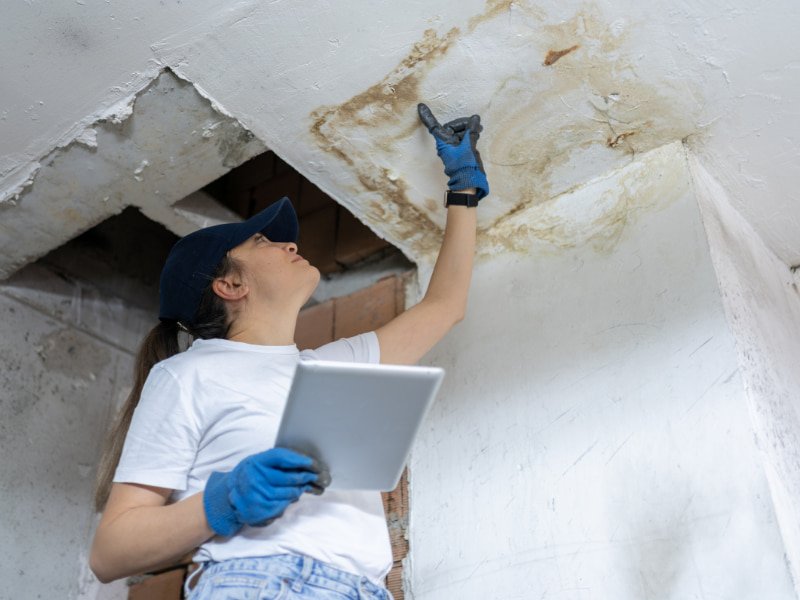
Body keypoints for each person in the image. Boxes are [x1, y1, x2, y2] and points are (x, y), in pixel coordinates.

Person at [89, 103, 489, 599]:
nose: (290, 246)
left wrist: (463, 189)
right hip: (258, 582)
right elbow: (110, 553)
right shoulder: (186, 375)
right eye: (263, 241)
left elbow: (445, 306)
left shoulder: (331, 370)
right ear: (230, 284)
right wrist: (226, 501)